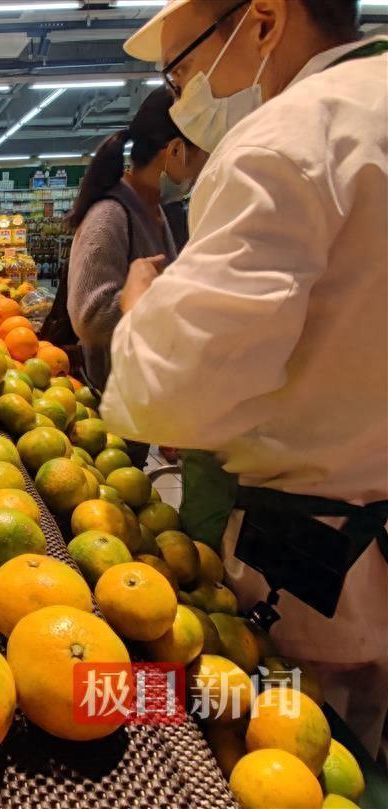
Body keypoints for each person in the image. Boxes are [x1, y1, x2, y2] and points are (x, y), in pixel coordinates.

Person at [103, 0, 387, 753]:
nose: (180, 92)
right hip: (359, 541)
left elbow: (168, 394)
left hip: (318, 568)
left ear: (264, 21)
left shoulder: (290, 137)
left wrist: (141, 310)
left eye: (183, 64)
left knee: (294, 739)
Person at [64, 87, 206, 396]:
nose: (199, 174)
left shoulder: (155, 211)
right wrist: (158, 290)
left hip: (145, 391)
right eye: (200, 159)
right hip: (115, 400)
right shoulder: (109, 216)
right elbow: (89, 320)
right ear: (175, 151)